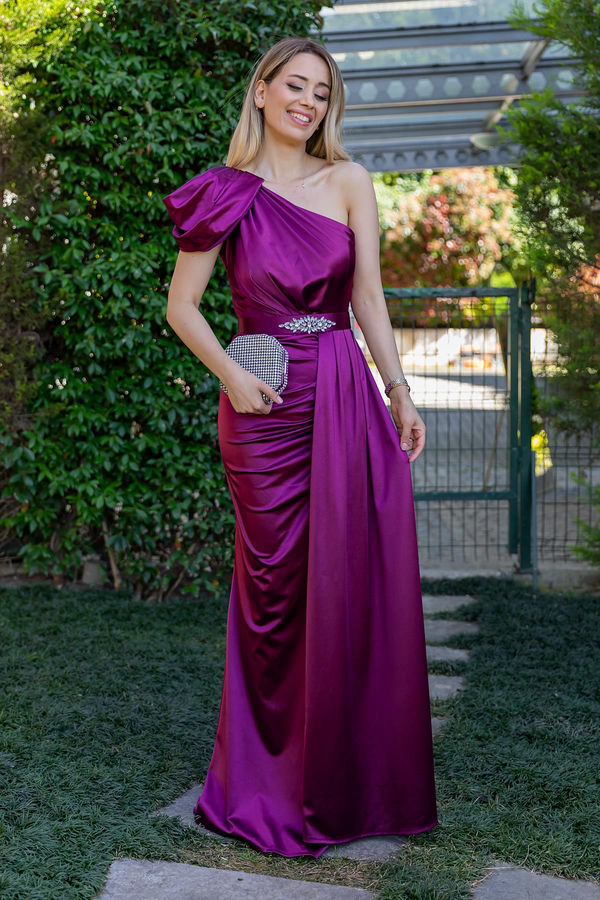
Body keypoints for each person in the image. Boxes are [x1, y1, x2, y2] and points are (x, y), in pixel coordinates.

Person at [162, 35, 438, 859]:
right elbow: (182, 306)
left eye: (322, 92)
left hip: (344, 391)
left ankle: (350, 785)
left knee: (351, 584)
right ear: (261, 90)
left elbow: (368, 297)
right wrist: (230, 376)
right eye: (295, 86)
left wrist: (398, 389)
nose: (308, 102)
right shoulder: (224, 192)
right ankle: (263, 784)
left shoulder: (349, 180)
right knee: (274, 593)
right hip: (263, 402)